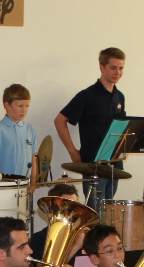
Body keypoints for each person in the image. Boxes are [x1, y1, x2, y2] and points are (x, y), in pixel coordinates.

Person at [54, 48, 127, 203]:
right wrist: (72, 151)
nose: (118, 72)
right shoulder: (87, 95)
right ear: (102, 67)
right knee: (95, 212)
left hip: (114, 164)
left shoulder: (119, 96)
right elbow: (59, 121)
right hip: (93, 165)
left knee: (109, 211)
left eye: (121, 68)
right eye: (113, 68)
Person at [0, 84, 38, 181]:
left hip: (24, 184)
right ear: (7, 105)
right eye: (20, 106)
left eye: (27, 106)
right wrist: (3, 181)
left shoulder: (30, 129)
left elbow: (33, 159)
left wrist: (33, 182)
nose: (24, 110)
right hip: (4, 184)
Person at [29, 183, 86, 264]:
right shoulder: (39, 239)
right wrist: (76, 246)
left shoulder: (84, 235)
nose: (73, 210)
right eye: (67, 206)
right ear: (54, 208)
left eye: (76, 206)